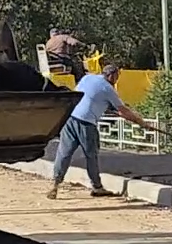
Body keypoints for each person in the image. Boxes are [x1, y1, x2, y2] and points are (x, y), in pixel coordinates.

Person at [46, 56, 155, 199]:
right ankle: (97, 187)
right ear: (111, 75)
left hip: (70, 118)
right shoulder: (107, 88)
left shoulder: (88, 78)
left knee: (64, 153)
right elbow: (124, 111)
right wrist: (142, 123)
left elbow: (89, 97)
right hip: (86, 123)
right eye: (117, 76)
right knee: (91, 156)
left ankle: (55, 185)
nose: (116, 80)